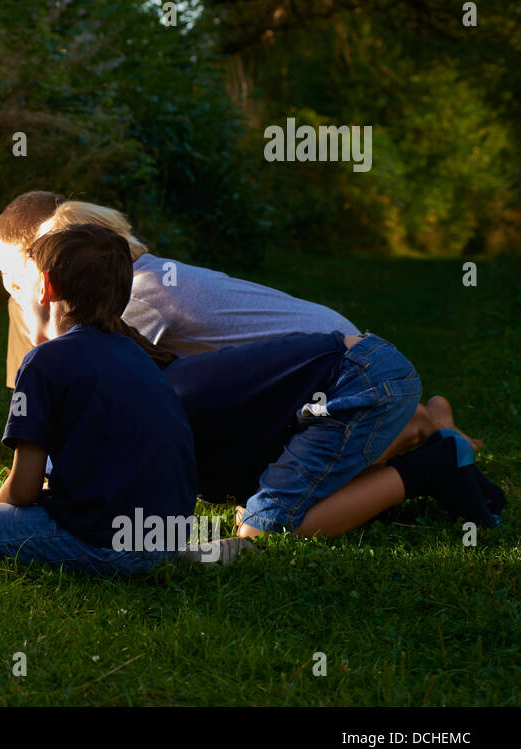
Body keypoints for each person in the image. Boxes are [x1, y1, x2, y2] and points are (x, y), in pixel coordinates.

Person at [34, 225, 506, 539]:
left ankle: (433, 465)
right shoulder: (156, 383)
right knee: (255, 501)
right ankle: (425, 440)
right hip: (357, 372)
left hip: (361, 377)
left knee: (265, 527)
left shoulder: (161, 399)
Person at [0, 190, 482, 461]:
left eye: (17, 276)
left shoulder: (137, 298)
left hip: (334, 370)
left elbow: (79, 376)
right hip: (326, 354)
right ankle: (423, 417)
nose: (12, 289)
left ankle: (421, 424)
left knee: (324, 464)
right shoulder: (137, 275)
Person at [0, 224, 201, 575]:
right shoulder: (142, 356)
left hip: (105, 546)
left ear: (45, 286)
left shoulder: (45, 361)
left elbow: (23, 491)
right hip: (165, 541)